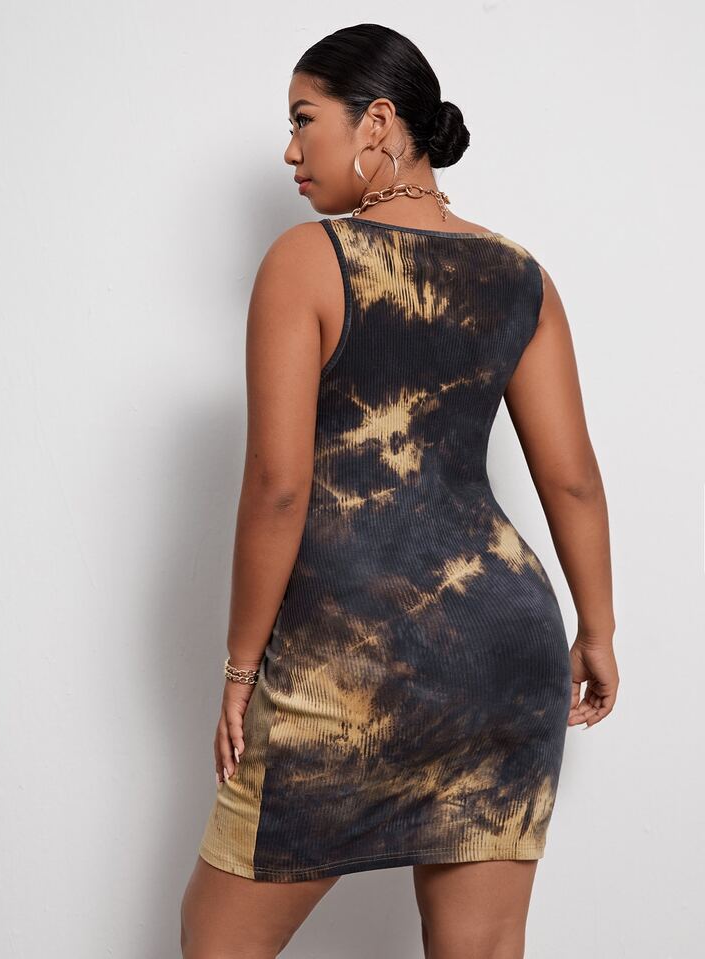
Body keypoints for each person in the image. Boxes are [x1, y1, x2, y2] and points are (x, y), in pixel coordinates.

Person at [180, 23, 619, 959]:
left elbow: (279, 488)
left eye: (304, 119)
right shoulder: (520, 276)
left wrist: (240, 669)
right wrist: (599, 628)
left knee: (218, 944)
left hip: (352, 652)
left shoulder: (307, 260)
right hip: (504, 648)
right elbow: (574, 478)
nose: (290, 150)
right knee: (482, 948)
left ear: (376, 122)